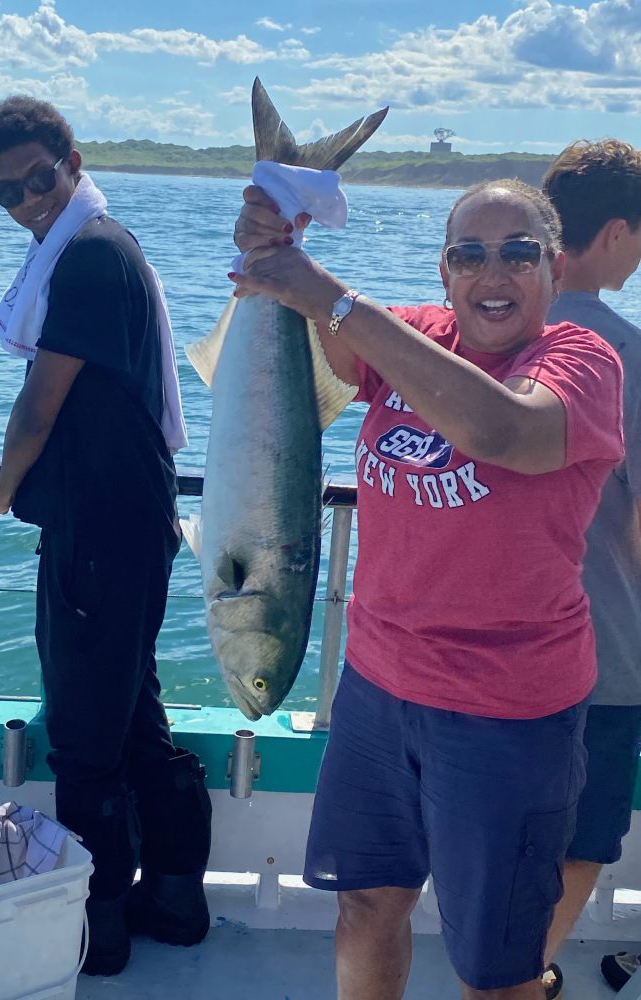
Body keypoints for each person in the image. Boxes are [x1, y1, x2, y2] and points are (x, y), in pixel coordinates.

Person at [230, 177, 624, 999]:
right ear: (444, 272)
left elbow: (500, 430)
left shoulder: (583, 362)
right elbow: (313, 342)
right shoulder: (416, 334)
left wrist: (328, 295)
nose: (493, 274)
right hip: (377, 691)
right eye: (468, 255)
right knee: (367, 904)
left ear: (554, 269)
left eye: (518, 254)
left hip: (507, 713)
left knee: (496, 968)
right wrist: (273, 248)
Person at [0, 96, 211, 977]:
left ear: (71, 159)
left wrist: (3, 490)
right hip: (124, 521)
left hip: (103, 533)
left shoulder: (89, 257)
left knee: (83, 738)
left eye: (40, 178)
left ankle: (98, 930)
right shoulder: (92, 245)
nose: (30, 199)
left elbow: (41, 402)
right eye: (8, 193)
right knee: (135, 717)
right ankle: (177, 901)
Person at [538, 139, 641, 999]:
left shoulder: (490, 335)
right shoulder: (628, 355)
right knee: (583, 840)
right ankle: (519, 974)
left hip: (491, 648)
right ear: (614, 233)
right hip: (602, 654)